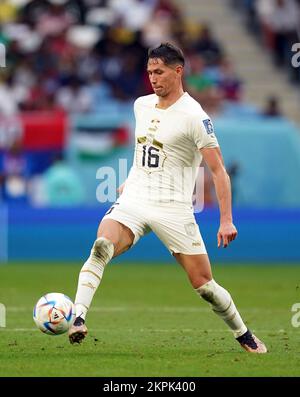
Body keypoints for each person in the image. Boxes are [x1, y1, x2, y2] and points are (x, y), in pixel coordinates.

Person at [68, 42, 267, 354]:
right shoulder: (141, 105)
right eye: (149, 72)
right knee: (101, 246)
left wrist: (226, 219)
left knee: (204, 286)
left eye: (159, 72)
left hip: (173, 207)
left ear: (178, 71)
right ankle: (78, 317)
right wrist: (130, 181)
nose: (153, 78)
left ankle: (243, 334)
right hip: (135, 198)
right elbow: (144, 152)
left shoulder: (195, 117)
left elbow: (218, 171)